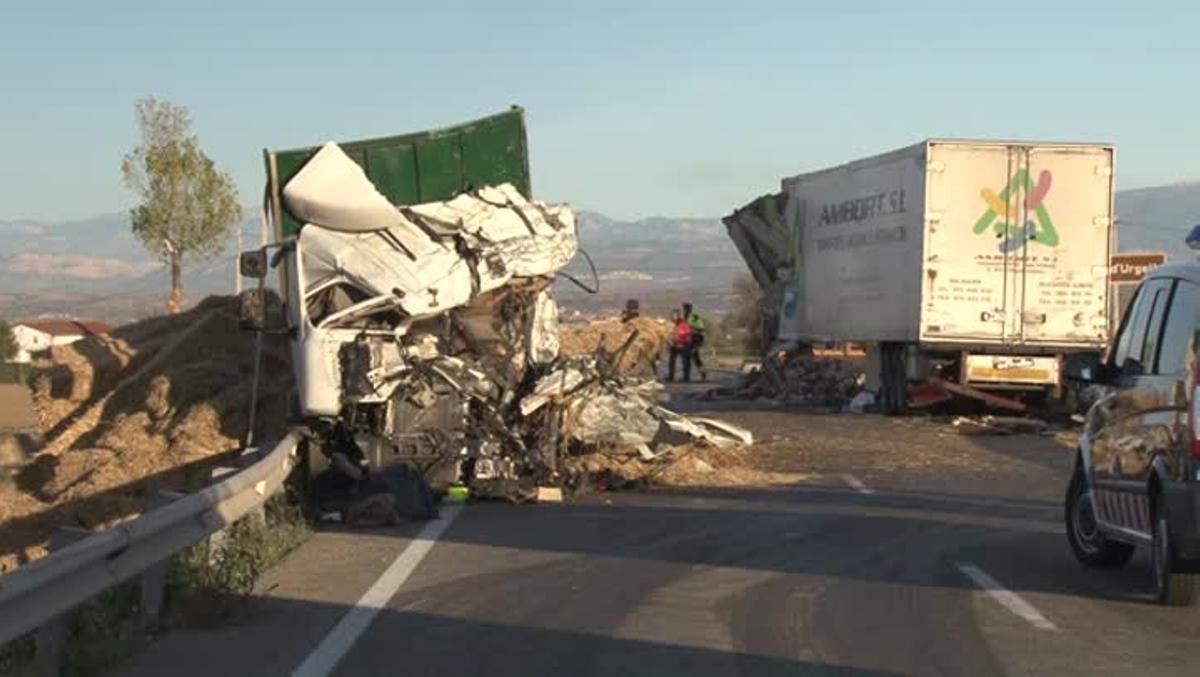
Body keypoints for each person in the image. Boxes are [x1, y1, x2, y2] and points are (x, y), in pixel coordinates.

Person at [682, 302, 708, 381]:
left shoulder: (695, 316)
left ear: (690, 309)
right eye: (685, 309)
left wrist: (692, 328)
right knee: (687, 358)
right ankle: (686, 376)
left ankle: (703, 372)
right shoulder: (684, 317)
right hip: (688, 339)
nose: (685, 310)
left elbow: (701, 328)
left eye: (686, 308)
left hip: (696, 338)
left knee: (695, 357)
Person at [667, 310, 693, 382]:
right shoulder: (671, 324)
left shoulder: (683, 324)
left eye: (675, 315)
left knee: (685, 361)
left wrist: (682, 343)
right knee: (672, 360)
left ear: (678, 316)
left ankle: (686, 377)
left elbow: (688, 334)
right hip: (674, 344)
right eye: (672, 315)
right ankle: (671, 376)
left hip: (684, 344)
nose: (673, 317)